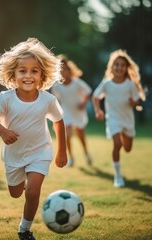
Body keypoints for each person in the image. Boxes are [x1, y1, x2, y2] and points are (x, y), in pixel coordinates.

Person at [0, 38, 67, 240]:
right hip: (14, 155)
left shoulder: (48, 100)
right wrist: (3, 132)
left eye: (34, 71)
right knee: (15, 193)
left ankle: (24, 230)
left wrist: (62, 150)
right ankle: (22, 181)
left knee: (32, 192)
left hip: (40, 152)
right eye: (22, 71)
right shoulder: (6, 98)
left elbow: (59, 121)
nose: (28, 75)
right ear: (13, 74)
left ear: (42, 75)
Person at [92, 49, 145, 188]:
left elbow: (138, 100)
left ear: (126, 68)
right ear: (112, 67)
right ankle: (118, 176)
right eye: (116, 64)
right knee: (117, 144)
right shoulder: (107, 84)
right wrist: (98, 111)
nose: (119, 67)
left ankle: (122, 133)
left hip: (127, 120)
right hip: (113, 119)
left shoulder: (129, 84)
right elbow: (96, 97)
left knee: (127, 148)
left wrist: (135, 103)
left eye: (122, 65)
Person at [51, 55, 93, 167]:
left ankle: (86, 153)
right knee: (67, 135)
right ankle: (71, 157)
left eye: (64, 69)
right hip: (66, 113)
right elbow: (56, 101)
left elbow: (88, 92)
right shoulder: (57, 87)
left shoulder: (77, 82)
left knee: (80, 135)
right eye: (60, 70)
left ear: (69, 70)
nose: (62, 72)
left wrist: (84, 103)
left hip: (78, 112)